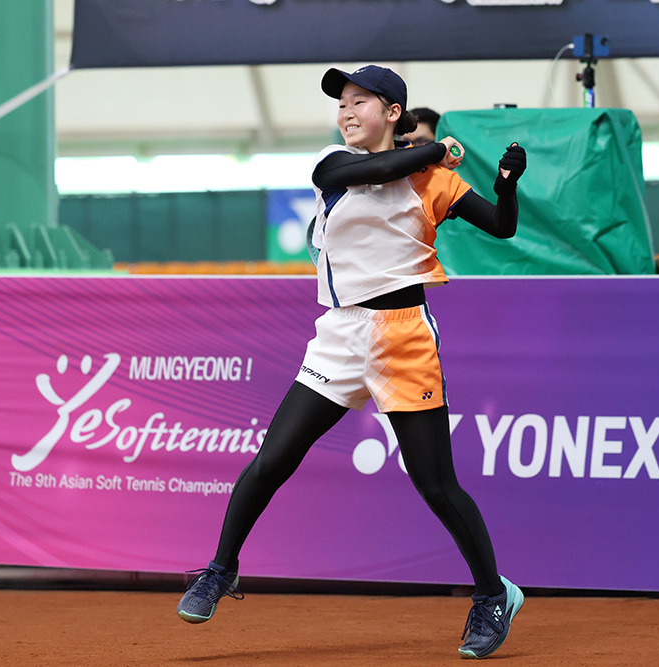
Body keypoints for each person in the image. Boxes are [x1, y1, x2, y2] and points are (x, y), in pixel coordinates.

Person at [177, 64, 527, 660]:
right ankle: (220, 569)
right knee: (273, 458)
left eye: (360, 101)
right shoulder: (332, 164)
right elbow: (377, 170)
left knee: (436, 485)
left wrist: (505, 182)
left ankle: (494, 595)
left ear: (392, 112)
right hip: (339, 335)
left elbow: (502, 225)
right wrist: (433, 149)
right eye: (341, 103)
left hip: (405, 337)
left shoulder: (435, 181)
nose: (345, 111)